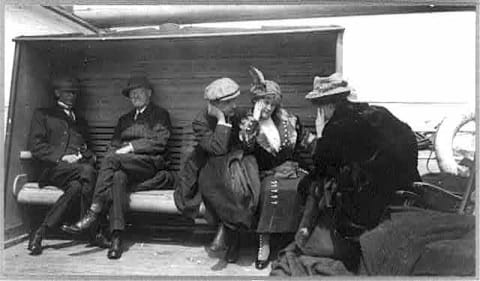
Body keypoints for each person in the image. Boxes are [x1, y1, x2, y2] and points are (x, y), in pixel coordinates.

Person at [270, 73, 421, 275]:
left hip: (368, 202)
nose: (320, 112)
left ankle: (305, 237)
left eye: (319, 108)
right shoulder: (379, 112)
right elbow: (409, 138)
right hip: (405, 188)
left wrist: (321, 133)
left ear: (327, 106)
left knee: (309, 184)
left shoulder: (336, 127)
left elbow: (321, 164)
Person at [61, 74, 172, 259]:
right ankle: (116, 237)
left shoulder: (160, 115)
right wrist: (114, 152)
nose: (134, 96)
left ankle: (94, 211)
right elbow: (113, 145)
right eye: (132, 94)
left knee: (112, 160)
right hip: (125, 167)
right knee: (117, 178)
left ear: (149, 94)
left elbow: (160, 143)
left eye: (139, 92)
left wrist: (129, 147)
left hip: (150, 164)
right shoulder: (124, 119)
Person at [174, 77, 260, 264]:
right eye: (228, 103)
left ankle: (227, 232)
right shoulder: (201, 121)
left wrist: (249, 134)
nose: (234, 106)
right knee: (221, 179)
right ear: (214, 104)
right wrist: (221, 120)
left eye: (234, 100)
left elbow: (246, 146)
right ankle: (232, 238)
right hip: (207, 167)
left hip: (235, 165)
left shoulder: (239, 114)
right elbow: (217, 149)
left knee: (236, 183)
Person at [238, 67, 316, 269]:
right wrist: (255, 121)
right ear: (255, 102)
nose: (268, 108)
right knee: (271, 191)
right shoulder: (247, 122)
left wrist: (323, 144)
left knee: (306, 188)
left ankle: (298, 242)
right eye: (264, 103)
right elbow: (246, 145)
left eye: (272, 104)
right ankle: (265, 243)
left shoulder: (289, 120)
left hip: (292, 170)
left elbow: (307, 141)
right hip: (266, 173)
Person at [27, 76, 105, 255]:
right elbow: (35, 146)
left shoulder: (81, 121)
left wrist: (86, 155)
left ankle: (41, 232)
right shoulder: (43, 115)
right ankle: (93, 230)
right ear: (57, 93)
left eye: (74, 93)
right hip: (53, 169)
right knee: (87, 172)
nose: (72, 96)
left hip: (76, 173)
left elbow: (88, 149)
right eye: (68, 92)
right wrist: (62, 157)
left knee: (78, 186)